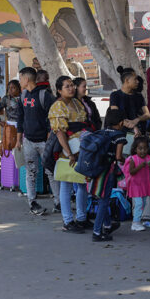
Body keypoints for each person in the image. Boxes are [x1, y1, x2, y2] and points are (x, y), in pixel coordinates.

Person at [49, 76, 91, 233]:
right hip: (67, 152)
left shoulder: (77, 103)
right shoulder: (58, 106)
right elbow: (60, 133)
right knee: (66, 185)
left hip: (81, 150)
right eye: (67, 86)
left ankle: (81, 218)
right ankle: (67, 221)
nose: (71, 88)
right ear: (59, 90)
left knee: (81, 184)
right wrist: (69, 153)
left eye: (72, 85)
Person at [16, 67, 59, 215]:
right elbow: (20, 118)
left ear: (27, 79)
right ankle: (32, 202)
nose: (19, 81)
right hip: (28, 141)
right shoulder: (22, 96)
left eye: (20, 78)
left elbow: (52, 117)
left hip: (44, 142)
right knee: (31, 172)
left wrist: (49, 137)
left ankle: (58, 202)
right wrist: (18, 140)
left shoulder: (44, 96)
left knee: (51, 172)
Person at [90, 108, 128, 242]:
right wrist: (124, 160)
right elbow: (118, 156)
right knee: (105, 200)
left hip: (96, 169)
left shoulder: (102, 132)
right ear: (121, 122)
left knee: (101, 199)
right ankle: (96, 231)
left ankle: (107, 225)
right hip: (108, 171)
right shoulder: (120, 135)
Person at [124, 137, 150, 232]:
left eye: (145, 148)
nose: (143, 151)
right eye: (140, 148)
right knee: (139, 203)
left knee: (143, 203)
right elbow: (132, 172)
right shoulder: (133, 159)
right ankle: (135, 223)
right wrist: (140, 167)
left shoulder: (149, 158)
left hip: (144, 184)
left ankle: (137, 220)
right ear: (135, 149)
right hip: (135, 185)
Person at [110, 68, 150, 136]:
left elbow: (147, 114)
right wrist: (133, 127)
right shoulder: (115, 95)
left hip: (140, 132)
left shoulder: (139, 96)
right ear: (127, 80)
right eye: (135, 79)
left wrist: (137, 120)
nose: (137, 82)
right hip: (123, 134)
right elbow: (115, 116)